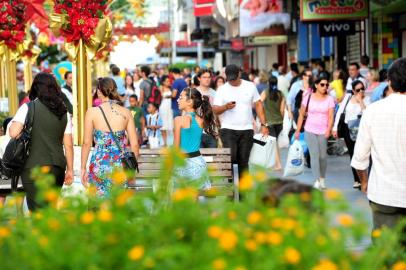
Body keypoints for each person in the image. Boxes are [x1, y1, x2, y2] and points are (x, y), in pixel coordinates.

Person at [351, 57, 406, 232]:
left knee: (386, 251)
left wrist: (365, 182)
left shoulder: (373, 111)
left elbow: (360, 157)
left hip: (384, 194)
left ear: (389, 82)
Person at [9, 72, 74, 211]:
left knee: (38, 212)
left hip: (33, 167)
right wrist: (70, 170)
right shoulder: (64, 111)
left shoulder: (28, 107)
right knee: (50, 210)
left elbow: (13, 133)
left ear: (35, 88)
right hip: (57, 167)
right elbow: (68, 145)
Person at [81, 77, 139, 197]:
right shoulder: (126, 112)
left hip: (99, 163)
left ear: (98, 91)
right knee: (118, 203)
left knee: (98, 203)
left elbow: (86, 143)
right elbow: (134, 144)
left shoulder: (92, 112)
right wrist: (132, 170)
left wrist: (82, 168)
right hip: (120, 164)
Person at [213, 64, 269, 177]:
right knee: (231, 158)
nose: (232, 81)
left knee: (243, 161)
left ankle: (243, 192)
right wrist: (225, 107)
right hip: (228, 129)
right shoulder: (222, 89)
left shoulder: (250, 86)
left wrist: (264, 125)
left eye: (234, 78)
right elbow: (215, 109)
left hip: (246, 129)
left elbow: (258, 104)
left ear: (239, 73)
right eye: (230, 79)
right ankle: (231, 190)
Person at [295, 77, 335, 190]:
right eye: (322, 84)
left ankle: (322, 179)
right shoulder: (308, 97)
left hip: (323, 130)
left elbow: (331, 116)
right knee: (314, 155)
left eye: (327, 85)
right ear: (316, 85)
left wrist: (329, 129)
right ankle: (316, 180)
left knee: (322, 156)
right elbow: (301, 114)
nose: (325, 87)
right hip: (309, 129)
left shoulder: (329, 99)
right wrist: (297, 130)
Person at [174, 88, 216, 188]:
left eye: (181, 97)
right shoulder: (201, 120)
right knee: (195, 200)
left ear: (189, 102)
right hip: (198, 163)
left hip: (183, 165)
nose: (177, 100)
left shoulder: (178, 120)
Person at [332, 80, 369, 189]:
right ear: (353, 90)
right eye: (358, 90)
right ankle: (357, 180)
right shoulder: (348, 97)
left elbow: (367, 114)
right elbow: (339, 112)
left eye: (362, 89)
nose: (360, 91)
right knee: (353, 154)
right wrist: (334, 128)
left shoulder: (367, 99)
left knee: (362, 154)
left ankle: (365, 179)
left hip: (362, 131)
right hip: (348, 129)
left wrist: (361, 101)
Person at [261, 76, 286, 171]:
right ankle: (276, 163)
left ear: (268, 83)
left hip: (270, 122)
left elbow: (259, 103)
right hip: (279, 122)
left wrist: (263, 113)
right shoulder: (281, 94)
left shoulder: (266, 92)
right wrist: (282, 119)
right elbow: (282, 110)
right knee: (275, 144)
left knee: (274, 144)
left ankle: (278, 165)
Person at [159, 75, 174, 146]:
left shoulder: (171, 88)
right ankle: (165, 142)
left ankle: (173, 142)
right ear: (163, 82)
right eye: (167, 81)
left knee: (170, 123)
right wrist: (170, 96)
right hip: (163, 106)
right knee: (163, 124)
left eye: (169, 81)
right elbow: (161, 96)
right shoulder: (161, 87)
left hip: (170, 107)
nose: (169, 82)